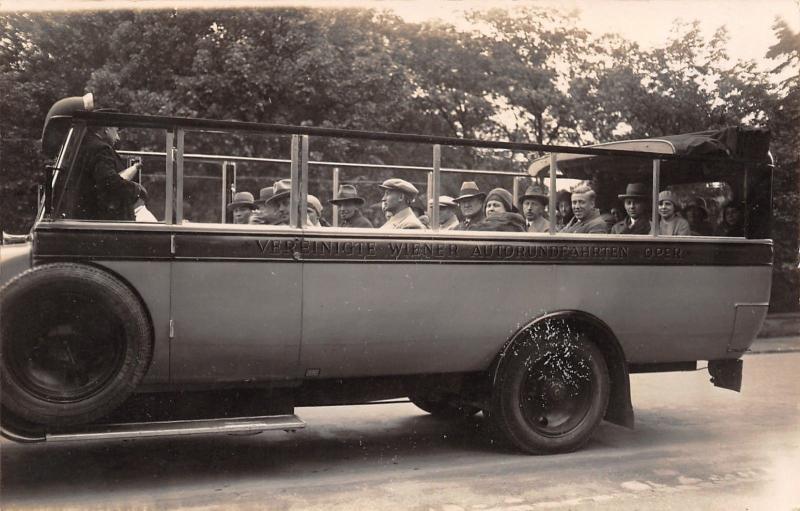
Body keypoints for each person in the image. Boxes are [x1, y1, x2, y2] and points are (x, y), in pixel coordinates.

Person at [74, 123, 147, 221]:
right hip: (104, 217)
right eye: (116, 131)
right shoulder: (101, 148)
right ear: (107, 129)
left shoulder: (90, 145)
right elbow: (109, 182)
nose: (118, 138)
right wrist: (136, 188)